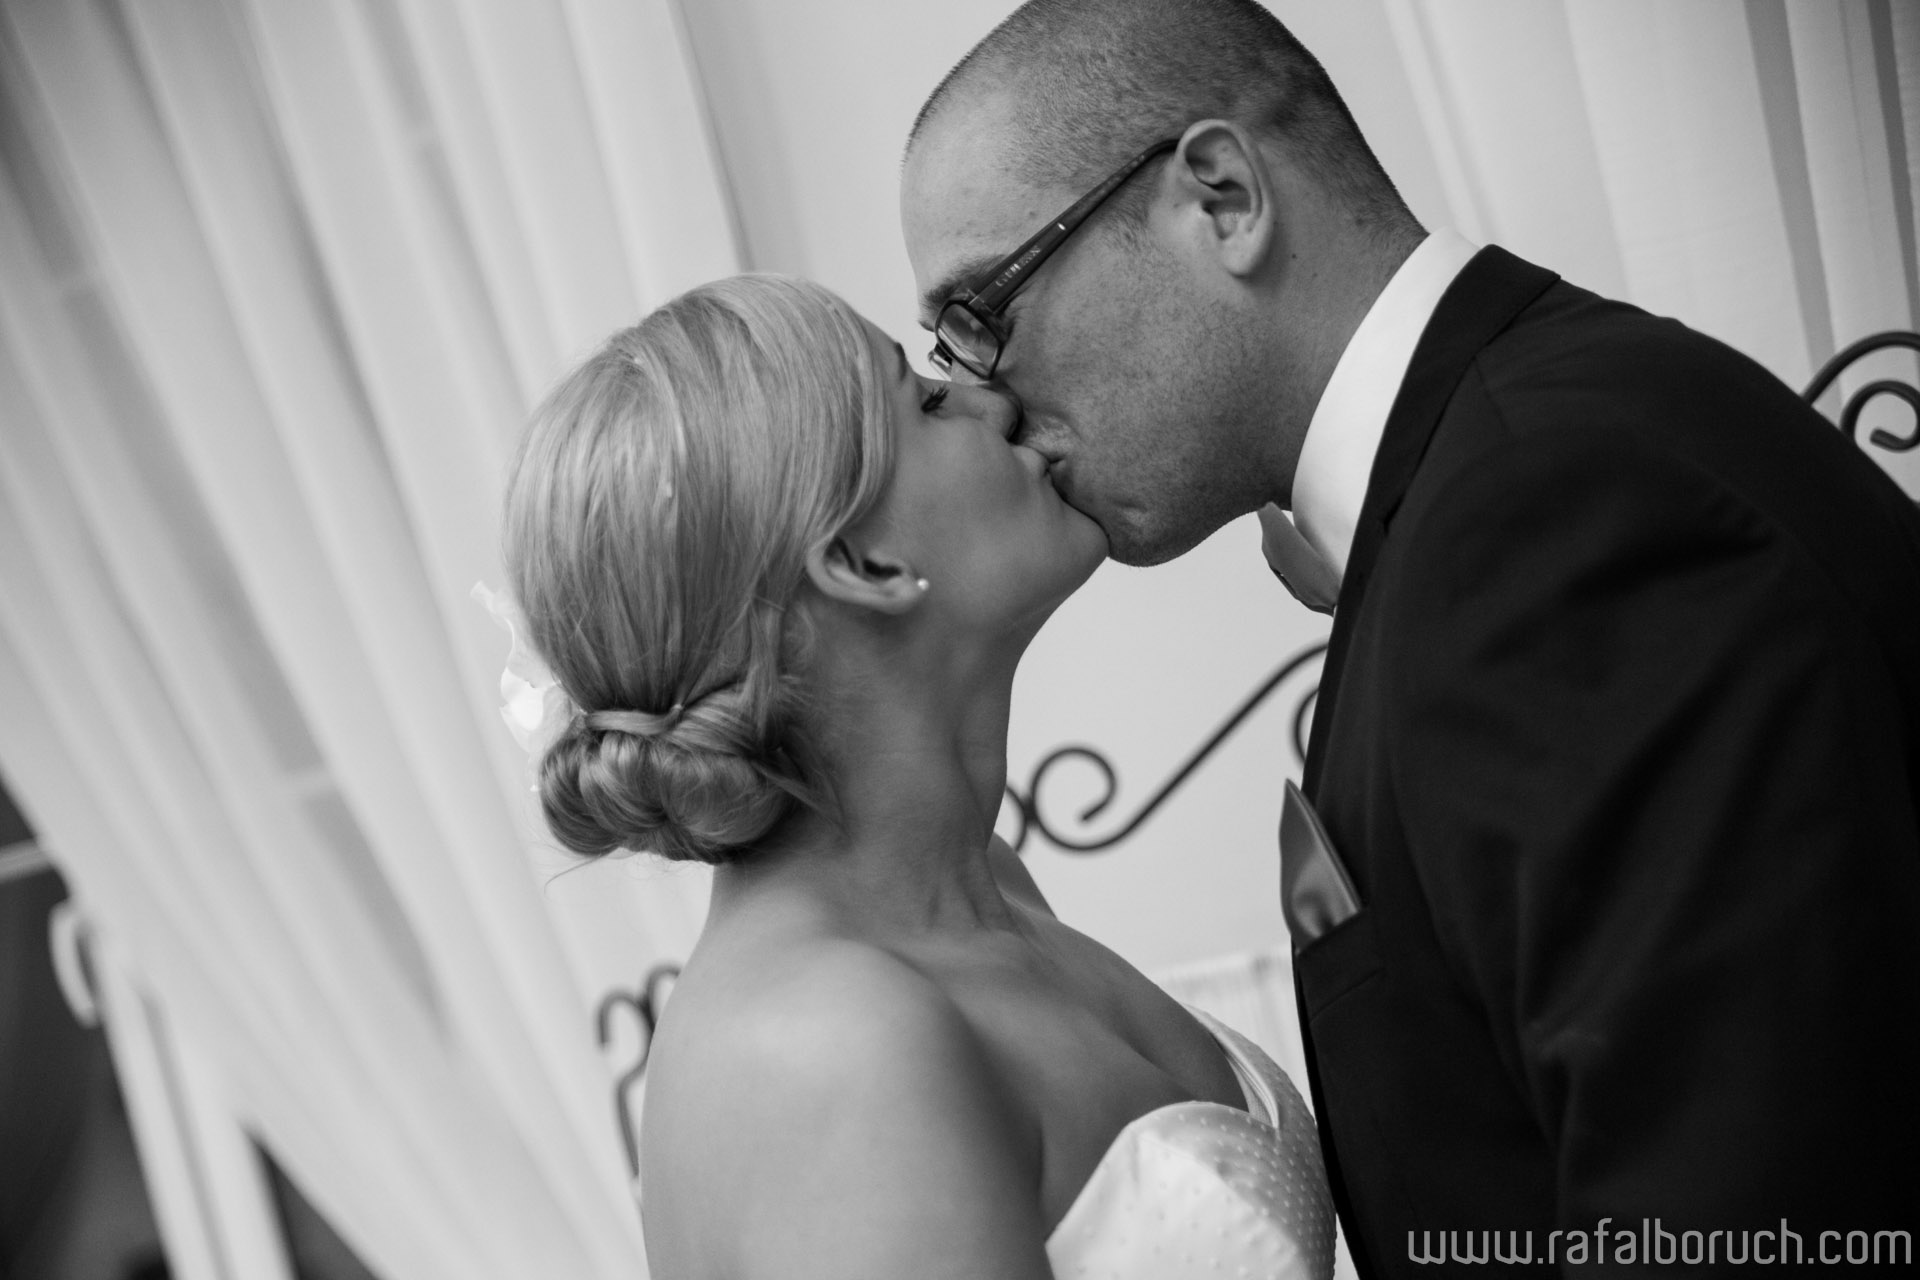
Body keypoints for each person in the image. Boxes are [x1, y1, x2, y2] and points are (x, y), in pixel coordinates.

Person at [900, 0, 1920, 1275]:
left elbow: (1743, 1212)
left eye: (984, 309)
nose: (985, 396)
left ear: (1221, 197)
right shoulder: (1489, 497)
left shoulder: (1552, 521)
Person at [500, 274, 1336, 1279]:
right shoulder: (827, 1043)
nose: (994, 400)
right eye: (930, 401)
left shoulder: (989, 888)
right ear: (865, 564)